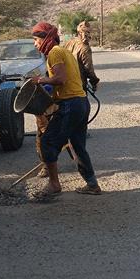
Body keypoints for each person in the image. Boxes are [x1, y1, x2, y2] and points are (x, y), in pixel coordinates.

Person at [31, 21, 101, 197]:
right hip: (81, 103)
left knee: (47, 142)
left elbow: (60, 78)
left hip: (70, 104)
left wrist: (40, 81)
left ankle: (54, 184)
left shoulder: (55, 53)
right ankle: (92, 184)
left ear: (45, 38)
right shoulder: (65, 52)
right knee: (77, 146)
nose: (35, 44)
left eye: (36, 39)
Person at [63, 20, 100, 91]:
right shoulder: (85, 48)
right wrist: (94, 82)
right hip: (78, 85)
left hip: (66, 82)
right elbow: (88, 68)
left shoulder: (69, 42)